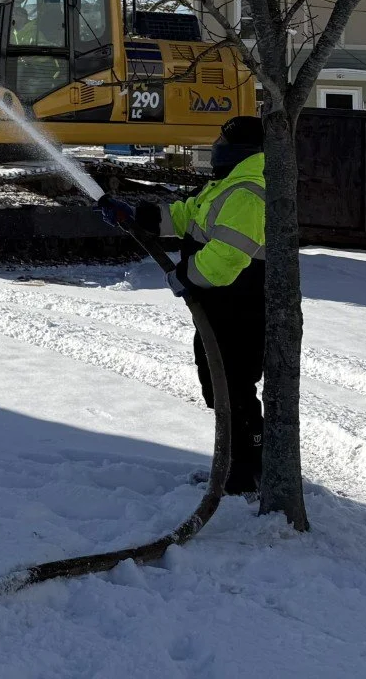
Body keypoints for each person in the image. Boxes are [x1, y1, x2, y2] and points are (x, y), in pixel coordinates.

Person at [100, 114, 268, 494]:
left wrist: (185, 276)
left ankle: (246, 473)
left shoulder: (248, 191)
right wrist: (136, 216)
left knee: (234, 386)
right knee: (217, 384)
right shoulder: (228, 185)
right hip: (220, 305)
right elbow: (184, 216)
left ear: (241, 149)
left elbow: (227, 259)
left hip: (241, 306)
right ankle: (231, 465)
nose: (215, 148)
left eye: (222, 142)